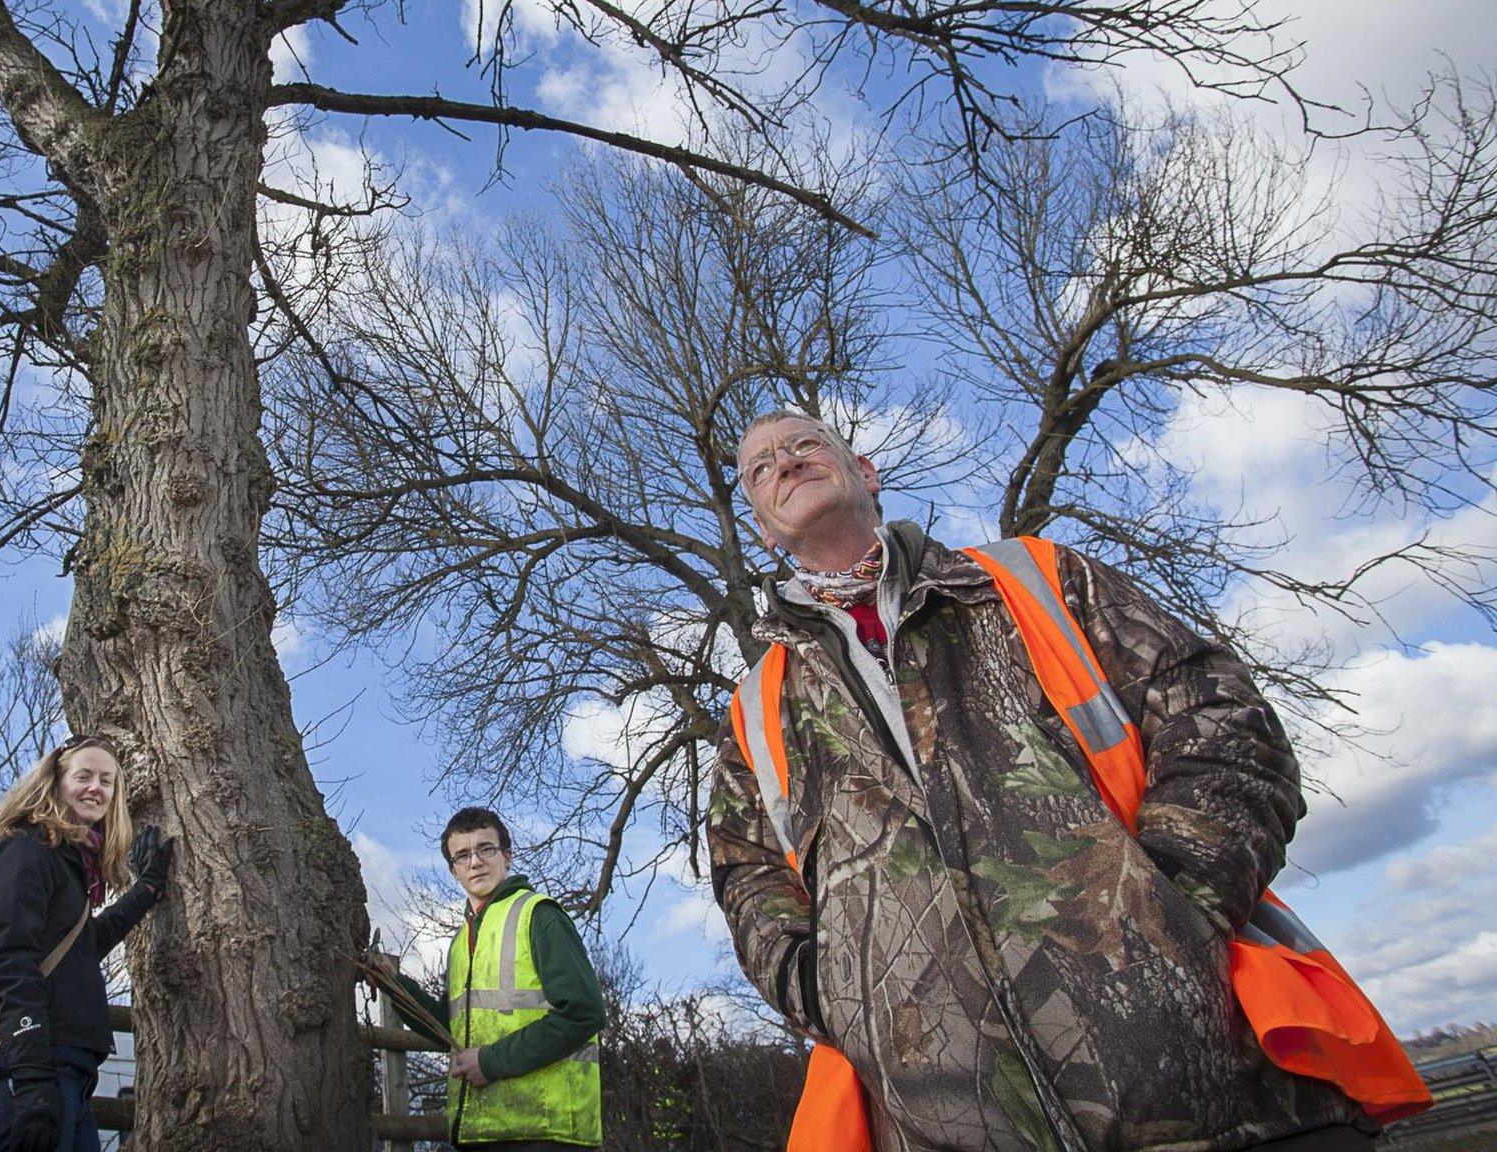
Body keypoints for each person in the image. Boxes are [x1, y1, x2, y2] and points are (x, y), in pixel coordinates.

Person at [708, 409, 1390, 1151]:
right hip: (948, 1124)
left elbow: (1219, 719)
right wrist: (843, 1003)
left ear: (865, 474)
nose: (784, 460)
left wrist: (1171, 916)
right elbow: (748, 884)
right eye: (759, 466)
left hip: (1221, 1098)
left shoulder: (1034, 579)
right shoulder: (756, 708)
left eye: (806, 443)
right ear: (765, 532)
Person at [0, 736, 173, 1152]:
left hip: (70, 1077)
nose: (96, 787)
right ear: (55, 781)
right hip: (27, 1071)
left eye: (107, 780)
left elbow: (80, 948)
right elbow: (4, 962)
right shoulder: (24, 851)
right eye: (84, 776)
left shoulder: (69, 866)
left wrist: (147, 890)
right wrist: (32, 1081)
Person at [366, 807, 606, 1150]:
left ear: (506, 856)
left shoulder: (539, 915)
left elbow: (584, 1013)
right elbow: (453, 1028)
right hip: (483, 1131)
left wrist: (491, 1062)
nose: (475, 861)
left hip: (545, 1134)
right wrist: (395, 986)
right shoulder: (460, 942)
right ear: (453, 871)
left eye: (485, 849)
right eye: (462, 855)